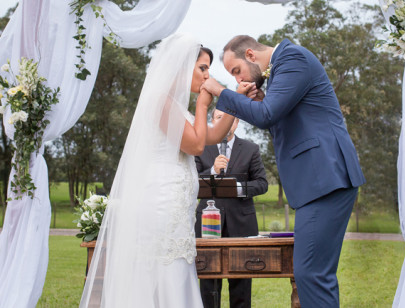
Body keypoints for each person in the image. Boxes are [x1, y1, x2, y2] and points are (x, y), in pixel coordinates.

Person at [201, 35, 365, 308]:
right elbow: (276, 115)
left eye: (237, 71)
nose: (238, 80)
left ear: (251, 55)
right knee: (313, 274)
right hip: (317, 182)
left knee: (311, 274)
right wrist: (262, 99)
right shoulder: (280, 70)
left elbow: (267, 114)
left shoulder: (292, 58)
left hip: (325, 177)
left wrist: (221, 91)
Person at [79, 33, 241, 307]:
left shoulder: (175, 105)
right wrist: (203, 104)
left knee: (177, 268)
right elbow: (197, 146)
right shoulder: (159, 101)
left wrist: (236, 102)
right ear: (181, 67)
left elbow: (212, 135)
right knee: (166, 269)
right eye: (202, 68)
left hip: (175, 207)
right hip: (161, 205)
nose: (207, 75)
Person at [194, 109, 268, 308]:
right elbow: (190, 182)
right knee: (208, 283)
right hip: (208, 225)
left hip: (242, 225)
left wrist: (237, 188)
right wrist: (211, 171)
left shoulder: (250, 149)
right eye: (219, 118)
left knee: (241, 283)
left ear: (236, 122)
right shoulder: (201, 147)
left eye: (229, 118)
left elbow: (262, 183)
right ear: (212, 121)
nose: (224, 122)